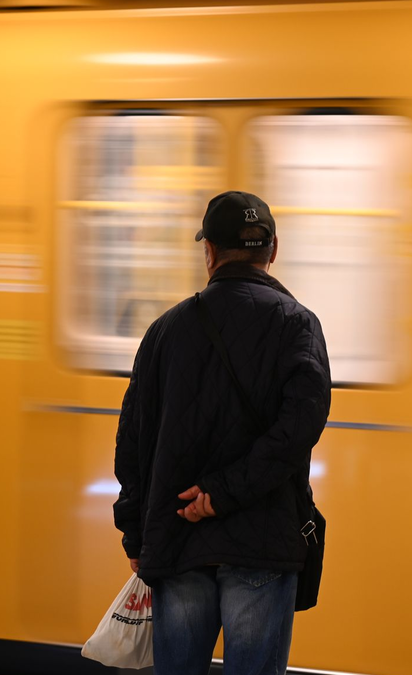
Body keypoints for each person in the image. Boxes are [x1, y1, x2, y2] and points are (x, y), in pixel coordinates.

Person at [112, 191, 332, 675]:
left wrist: (135, 536)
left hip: (179, 542)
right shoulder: (297, 326)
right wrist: (222, 495)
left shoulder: (164, 332)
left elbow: (132, 444)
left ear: (208, 251)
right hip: (262, 543)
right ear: (273, 251)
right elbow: (299, 429)